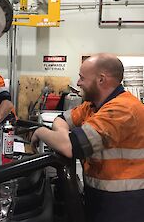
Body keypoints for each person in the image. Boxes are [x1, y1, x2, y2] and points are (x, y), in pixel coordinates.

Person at [31, 53, 144, 222]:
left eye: (82, 77)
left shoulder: (122, 110)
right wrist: (63, 137)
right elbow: (61, 120)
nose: (78, 83)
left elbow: (70, 147)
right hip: (99, 195)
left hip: (123, 203)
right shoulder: (93, 106)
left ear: (101, 79)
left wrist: (41, 131)